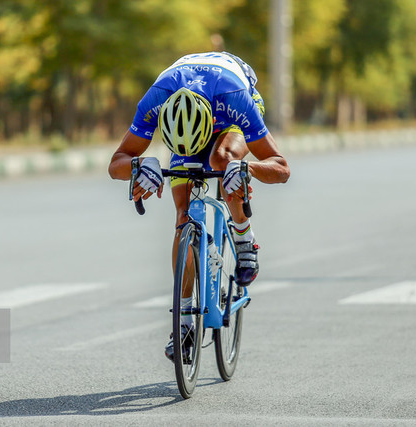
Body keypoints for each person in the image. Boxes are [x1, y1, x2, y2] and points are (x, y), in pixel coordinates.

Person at [108, 51, 290, 361]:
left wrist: (248, 169)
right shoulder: (155, 101)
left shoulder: (235, 97)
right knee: (183, 212)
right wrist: (141, 164)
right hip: (186, 115)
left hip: (229, 107)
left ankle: (244, 238)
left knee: (223, 160)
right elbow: (116, 163)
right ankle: (184, 323)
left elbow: (281, 168)